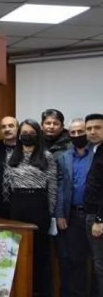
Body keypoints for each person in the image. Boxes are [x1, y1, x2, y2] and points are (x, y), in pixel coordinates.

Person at [3, 119, 57, 297]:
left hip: (38, 204)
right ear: (19, 135)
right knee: (17, 250)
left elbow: (52, 186)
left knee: (40, 251)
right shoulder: (12, 156)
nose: (27, 135)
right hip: (17, 205)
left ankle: (41, 292)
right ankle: (20, 290)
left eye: (32, 133)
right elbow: (8, 184)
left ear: (38, 135)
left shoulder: (46, 156)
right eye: (24, 132)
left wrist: (50, 212)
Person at [56, 118, 97, 297]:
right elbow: (60, 187)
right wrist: (59, 213)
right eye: (73, 132)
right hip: (72, 216)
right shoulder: (64, 157)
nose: (77, 135)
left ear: (87, 132)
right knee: (75, 261)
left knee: (97, 262)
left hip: (94, 216)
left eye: (80, 131)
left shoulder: (97, 154)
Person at [84, 113, 103, 297]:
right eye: (89, 128)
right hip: (91, 214)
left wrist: (99, 219)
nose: (92, 131)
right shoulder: (94, 150)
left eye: (97, 127)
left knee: (100, 265)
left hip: (98, 218)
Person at [0, 115, 19, 218]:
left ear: (18, 128)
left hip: (20, 205)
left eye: (11, 126)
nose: (7, 129)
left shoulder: (26, 147)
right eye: (3, 127)